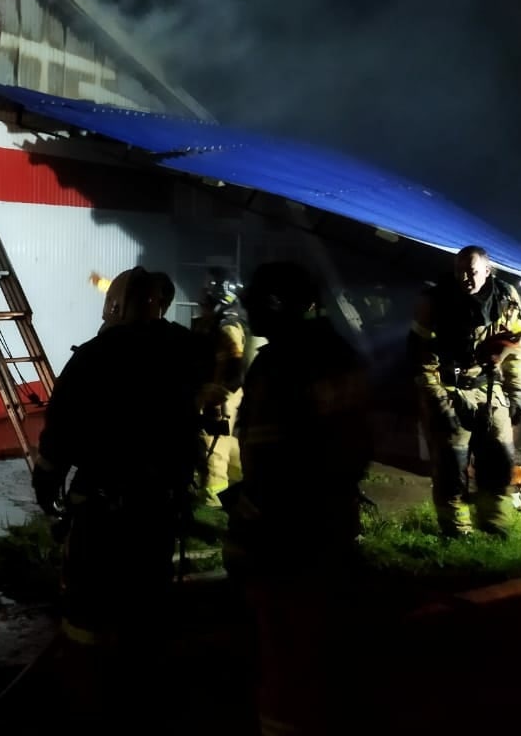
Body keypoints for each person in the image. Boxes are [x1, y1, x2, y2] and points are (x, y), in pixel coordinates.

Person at [222, 261, 371, 735]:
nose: (248, 310)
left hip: (284, 537)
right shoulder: (341, 353)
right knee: (322, 649)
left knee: (284, 655)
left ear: (282, 304)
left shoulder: (280, 364)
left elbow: (273, 462)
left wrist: (246, 530)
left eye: (258, 302)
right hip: (333, 524)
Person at [33, 266, 211, 653]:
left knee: (89, 608)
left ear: (113, 307)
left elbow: (61, 430)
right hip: (160, 506)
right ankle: (140, 684)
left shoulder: (94, 357)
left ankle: (90, 685)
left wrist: (45, 483)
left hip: (103, 509)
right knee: (146, 599)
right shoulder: (183, 353)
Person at [408, 245, 521, 536]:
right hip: (449, 391)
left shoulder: (505, 298)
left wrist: (517, 394)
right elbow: (420, 355)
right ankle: (456, 531)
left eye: (472, 271)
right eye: (460, 271)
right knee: (451, 466)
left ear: (487, 271)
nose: (466, 277)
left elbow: (517, 351)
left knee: (498, 462)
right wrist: (437, 400)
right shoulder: (435, 301)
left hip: (490, 391)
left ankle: (494, 525)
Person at [191, 267, 252, 507]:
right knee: (230, 447)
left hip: (221, 397)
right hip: (221, 395)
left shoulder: (228, 328)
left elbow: (233, 371)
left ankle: (212, 500)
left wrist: (214, 399)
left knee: (212, 447)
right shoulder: (217, 325)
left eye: (207, 295)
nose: (201, 300)